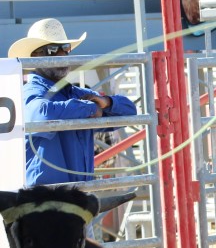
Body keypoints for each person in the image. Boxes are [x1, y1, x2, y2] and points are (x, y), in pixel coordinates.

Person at [9, 18, 137, 185]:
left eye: (65, 48)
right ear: (35, 56)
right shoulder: (30, 92)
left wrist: (106, 102)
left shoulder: (74, 94)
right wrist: (90, 108)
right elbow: (40, 115)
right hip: (45, 200)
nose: (62, 55)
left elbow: (129, 110)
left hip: (74, 197)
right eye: (52, 50)